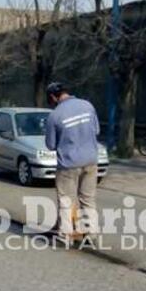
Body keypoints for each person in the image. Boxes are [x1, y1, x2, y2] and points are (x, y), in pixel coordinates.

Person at [44, 82, 100, 241]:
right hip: (90, 160)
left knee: (66, 200)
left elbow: (51, 145)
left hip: (68, 164)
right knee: (88, 199)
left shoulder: (55, 115)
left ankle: (65, 235)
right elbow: (96, 130)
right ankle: (92, 233)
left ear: (53, 97)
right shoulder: (87, 106)